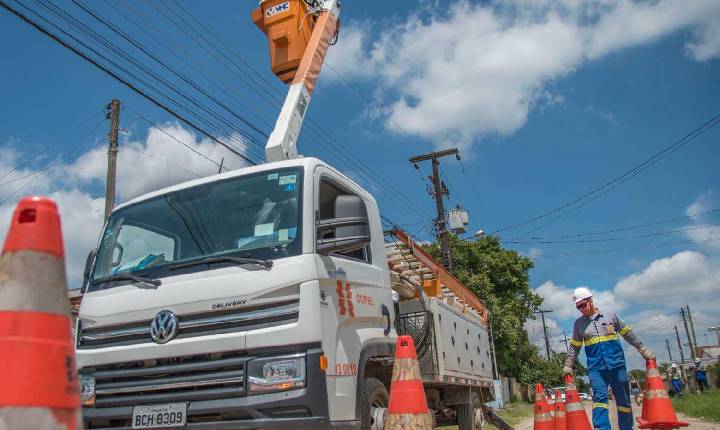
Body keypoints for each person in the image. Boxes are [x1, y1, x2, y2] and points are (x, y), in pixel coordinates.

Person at [563, 287, 654, 430]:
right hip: (596, 368)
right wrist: (568, 365)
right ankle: (602, 427)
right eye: (578, 307)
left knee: (623, 399)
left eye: (583, 305)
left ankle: (626, 427)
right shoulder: (579, 324)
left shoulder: (610, 316)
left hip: (617, 365)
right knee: (599, 399)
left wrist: (643, 350)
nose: (581, 309)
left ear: (591, 301)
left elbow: (628, 334)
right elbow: (575, 346)